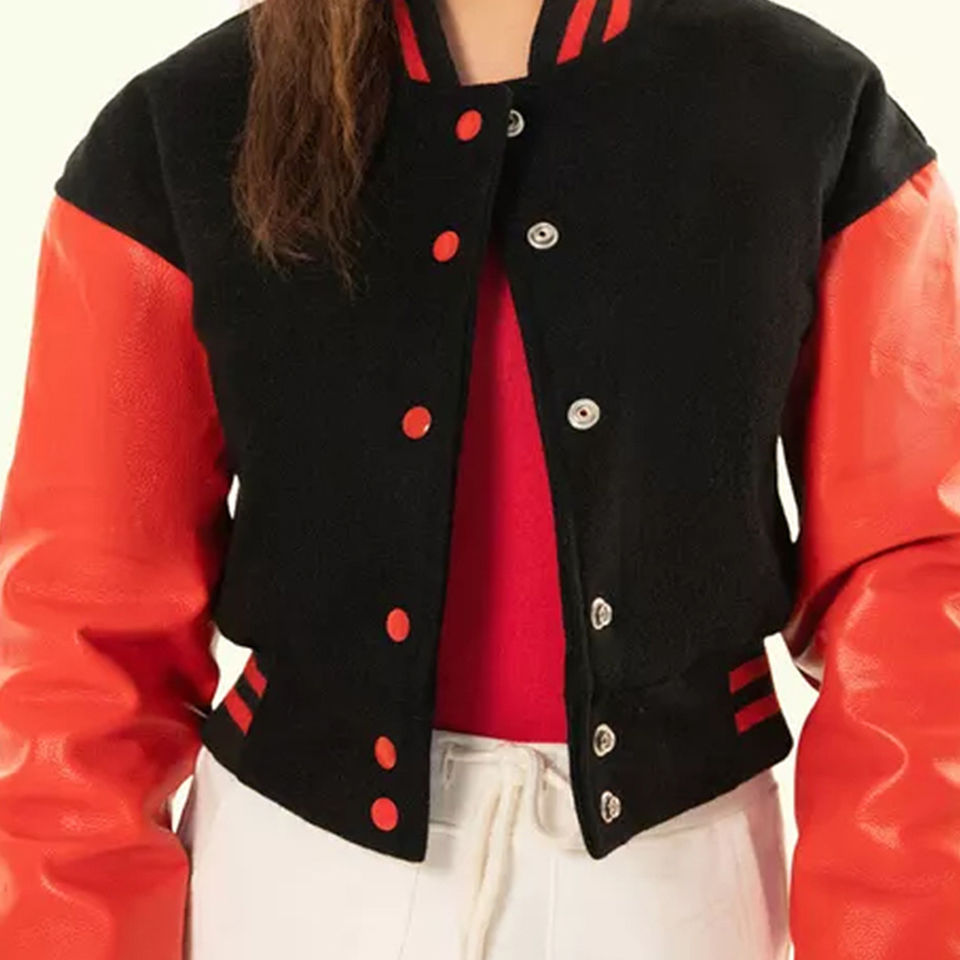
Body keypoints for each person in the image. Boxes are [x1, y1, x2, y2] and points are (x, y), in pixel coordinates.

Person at [0, 0, 957, 957]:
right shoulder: (182, 126)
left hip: (672, 889)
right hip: (291, 880)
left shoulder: (808, 108)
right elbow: (77, 626)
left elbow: (913, 588)